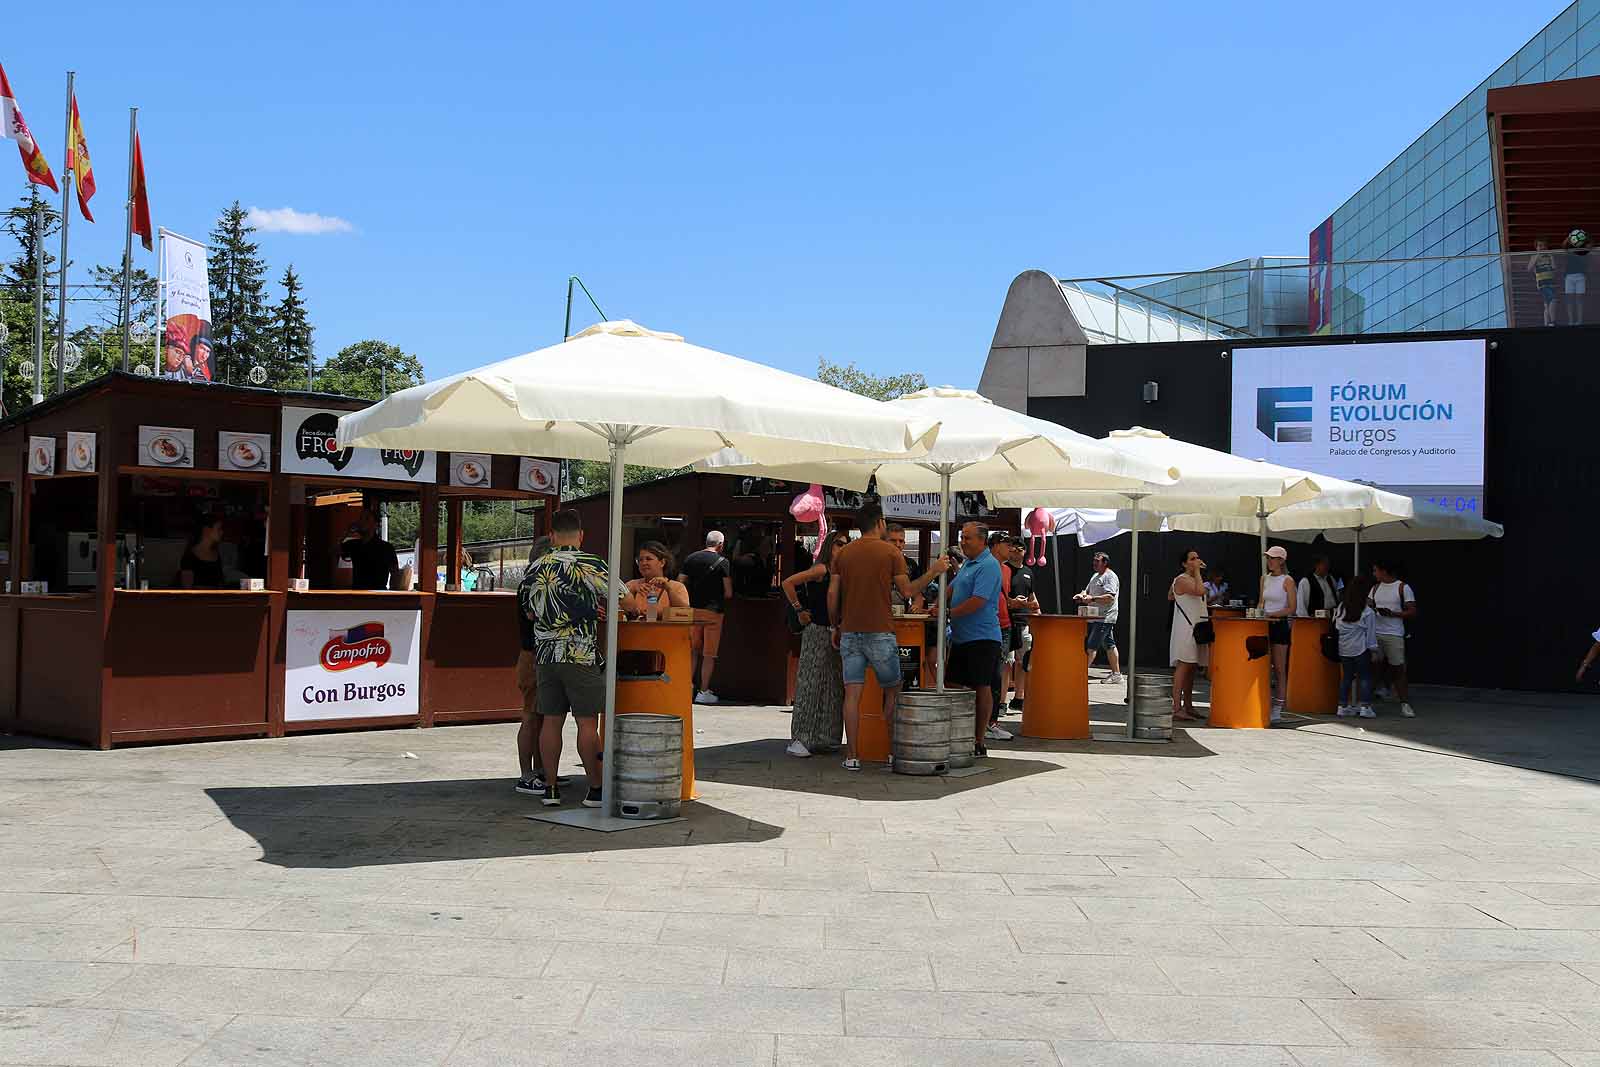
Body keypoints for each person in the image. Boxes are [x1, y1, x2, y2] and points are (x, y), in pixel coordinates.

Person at [828, 502, 946, 770]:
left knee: (852, 695)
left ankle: (852, 756)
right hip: (880, 630)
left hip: (850, 631)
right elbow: (907, 591)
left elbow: (833, 594)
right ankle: (892, 751)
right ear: (880, 523)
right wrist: (934, 571)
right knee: (893, 690)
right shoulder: (891, 553)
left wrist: (835, 625)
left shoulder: (843, 554)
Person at [526, 509, 609, 807]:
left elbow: (529, 611)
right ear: (581, 536)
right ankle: (595, 789)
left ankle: (550, 789)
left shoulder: (536, 567)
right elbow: (624, 598)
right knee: (587, 724)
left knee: (551, 721)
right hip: (580, 654)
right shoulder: (590, 563)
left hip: (546, 655)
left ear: (552, 536)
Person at [781, 530, 850, 757]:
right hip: (818, 629)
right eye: (839, 544)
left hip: (834, 631)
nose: (843, 548)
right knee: (811, 683)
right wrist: (799, 609)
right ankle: (801, 737)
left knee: (832, 685)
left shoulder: (841, 572)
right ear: (830, 545)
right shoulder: (822, 569)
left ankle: (826, 737)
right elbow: (788, 583)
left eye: (846, 545)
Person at [946, 521, 1002, 757]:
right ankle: (958, 734)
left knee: (981, 686)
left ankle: (979, 740)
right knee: (952, 685)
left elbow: (978, 601)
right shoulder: (968, 563)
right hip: (961, 638)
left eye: (967, 538)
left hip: (982, 638)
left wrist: (948, 614)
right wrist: (935, 604)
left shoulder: (989, 565)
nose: (963, 541)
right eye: (962, 537)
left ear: (982, 540)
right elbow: (951, 589)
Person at [514, 536, 553, 794]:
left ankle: (541, 770)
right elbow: (538, 617)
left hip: (539, 654)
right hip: (533, 655)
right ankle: (526, 775)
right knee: (530, 716)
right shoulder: (532, 583)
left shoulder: (535, 581)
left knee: (540, 716)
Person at [680, 530, 733, 705]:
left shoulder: (690, 559)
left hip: (692, 611)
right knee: (709, 654)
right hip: (713, 612)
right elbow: (728, 592)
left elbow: (679, 584)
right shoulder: (723, 562)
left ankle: (686, 688)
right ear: (721, 545)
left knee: (692, 650)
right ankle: (703, 692)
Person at [1369, 560, 1418, 718]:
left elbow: (1412, 611)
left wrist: (1393, 614)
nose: (1374, 573)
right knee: (1373, 667)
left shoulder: (1403, 587)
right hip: (1375, 633)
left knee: (1398, 669)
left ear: (1384, 571)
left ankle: (1405, 704)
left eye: (1376, 570)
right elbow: (1367, 605)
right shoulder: (1375, 588)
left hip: (1394, 633)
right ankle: (1366, 703)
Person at [1168, 548, 1208, 722]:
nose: (1197, 561)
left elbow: (1170, 596)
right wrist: (1198, 572)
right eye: (1192, 559)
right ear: (1184, 563)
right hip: (1186, 628)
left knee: (1191, 667)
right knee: (1183, 666)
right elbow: (1200, 591)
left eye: (1198, 558)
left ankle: (1188, 706)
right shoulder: (1183, 579)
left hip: (1195, 627)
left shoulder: (1189, 579)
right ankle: (1176, 707)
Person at [1074, 552, 1122, 685]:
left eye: (1097, 561)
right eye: (1094, 560)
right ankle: (1117, 675)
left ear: (1105, 562)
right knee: (1109, 645)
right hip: (1095, 617)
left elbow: (1110, 597)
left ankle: (1079, 675)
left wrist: (1093, 599)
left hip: (1105, 617)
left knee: (1091, 647)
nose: (1094, 563)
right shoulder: (1095, 576)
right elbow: (1087, 591)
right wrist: (1081, 595)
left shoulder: (1110, 577)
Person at [1261, 545, 1296, 722]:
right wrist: (1260, 614)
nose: (1270, 561)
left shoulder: (1288, 580)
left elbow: (1292, 607)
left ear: (1281, 561)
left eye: (1273, 558)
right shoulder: (1264, 579)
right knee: (1264, 667)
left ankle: (1278, 708)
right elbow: (1261, 602)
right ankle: (1264, 704)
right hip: (1264, 625)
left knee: (1280, 668)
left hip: (1279, 625)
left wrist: (1273, 614)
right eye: (1268, 558)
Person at [1334, 576, 1378, 718]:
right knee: (1365, 677)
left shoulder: (1341, 607)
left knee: (1346, 677)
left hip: (1344, 649)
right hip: (1361, 649)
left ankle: (1342, 706)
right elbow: (1371, 634)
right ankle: (1365, 707)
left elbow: (1337, 626)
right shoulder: (1368, 611)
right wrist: (1374, 650)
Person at [986, 532, 1015, 739]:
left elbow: (1005, 598)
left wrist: (1018, 603)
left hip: (1004, 626)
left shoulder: (1006, 570)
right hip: (990, 627)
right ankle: (988, 723)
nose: (1011, 548)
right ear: (995, 545)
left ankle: (991, 721)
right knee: (991, 677)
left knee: (997, 675)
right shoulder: (986, 565)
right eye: (1007, 544)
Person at [1006, 541, 1038, 712]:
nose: (1016, 552)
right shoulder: (1004, 570)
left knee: (1023, 662)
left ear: (1025, 552)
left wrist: (1037, 612)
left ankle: (1019, 697)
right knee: (1006, 663)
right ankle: (1001, 701)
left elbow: (1032, 597)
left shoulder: (1028, 572)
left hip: (1024, 624)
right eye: (1013, 548)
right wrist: (1012, 603)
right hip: (1006, 622)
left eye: (1020, 549)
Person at [341, 507, 404, 590]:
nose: (362, 522)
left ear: (376, 524)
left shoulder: (386, 547)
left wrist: (391, 597)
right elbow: (332, 551)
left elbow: (395, 574)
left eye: (366, 519)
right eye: (361, 519)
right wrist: (347, 532)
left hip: (378, 595)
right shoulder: (353, 544)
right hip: (357, 594)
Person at [624, 541, 690, 620]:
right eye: (640, 560)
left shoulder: (676, 586)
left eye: (648, 559)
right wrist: (632, 591)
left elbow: (685, 614)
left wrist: (668, 589)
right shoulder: (631, 584)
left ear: (662, 562)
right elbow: (616, 610)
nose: (644, 563)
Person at [178, 513, 227, 589]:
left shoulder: (216, 554)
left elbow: (220, 583)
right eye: (219, 529)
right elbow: (187, 588)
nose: (222, 532)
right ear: (207, 530)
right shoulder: (190, 556)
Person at [1530, 240, 1559, 327]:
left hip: (1551, 282)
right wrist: (1538, 255)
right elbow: (1529, 268)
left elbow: (1554, 268)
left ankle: (1546, 324)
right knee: (1553, 300)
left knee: (1547, 304)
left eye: (1543, 245)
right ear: (1536, 247)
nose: (1542, 247)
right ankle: (1552, 322)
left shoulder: (1549, 256)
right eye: (1540, 245)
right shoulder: (1534, 257)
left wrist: (1551, 257)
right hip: (1542, 284)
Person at [1565, 230, 1590, 327]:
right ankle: (1571, 321)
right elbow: (1563, 245)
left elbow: (1590, 245)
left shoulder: (1584, 249)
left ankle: (1580, 321)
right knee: (1569, 299)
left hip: (1581, 276)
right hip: (1569, 276)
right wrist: (1570, 236)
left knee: (1579, 299)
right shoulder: (1568, 248)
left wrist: (1585, 236)